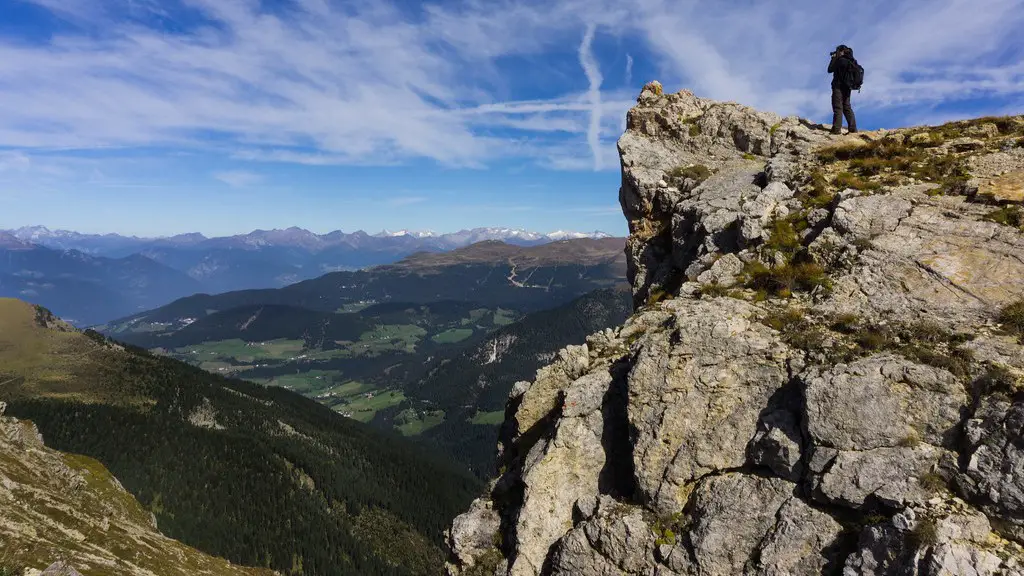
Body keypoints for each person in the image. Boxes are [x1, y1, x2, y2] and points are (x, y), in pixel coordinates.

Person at [828, 45, 858, 134]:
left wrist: (833, 58)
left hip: (838, 87)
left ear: (841, 51)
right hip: (848, 87)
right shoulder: (851, 61)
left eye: (837, 51)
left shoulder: (840, 60)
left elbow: (830, 69)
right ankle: (853, 129)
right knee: (847, 107)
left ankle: (836, 129)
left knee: (838, 107)